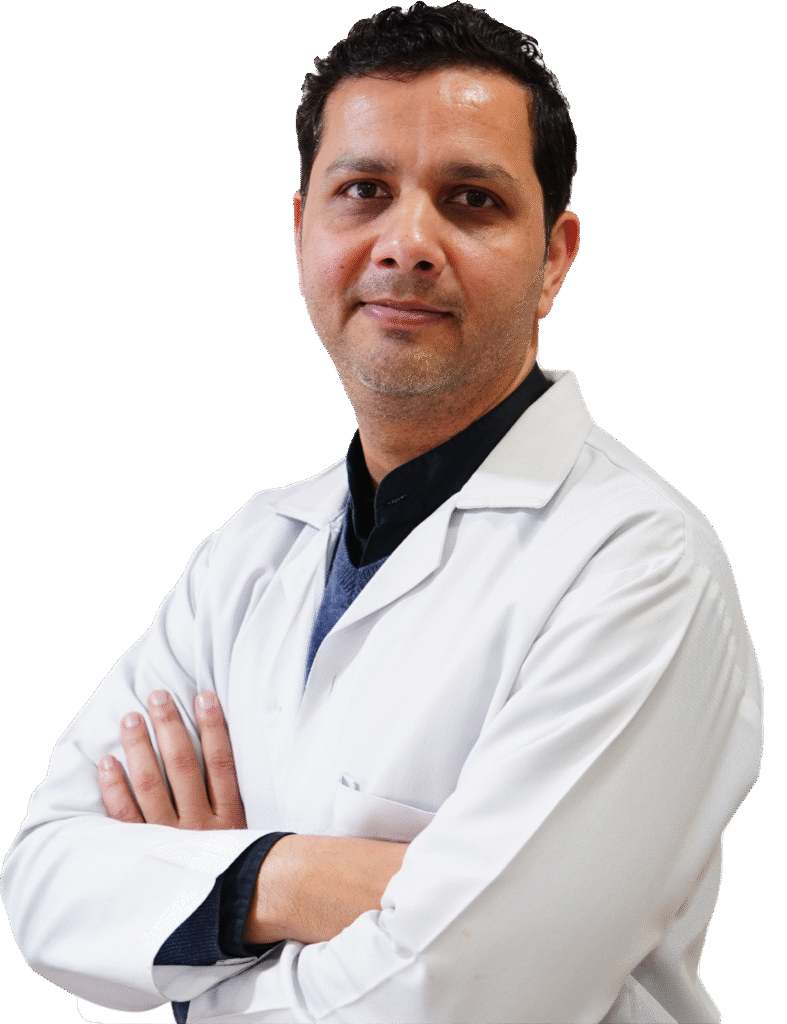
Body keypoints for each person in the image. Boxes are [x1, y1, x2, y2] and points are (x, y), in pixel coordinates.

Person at [2, 3, 763, 1022]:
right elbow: (45, 877)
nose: (406, 243)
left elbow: (463, 994)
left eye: (471, 200)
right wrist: (291, 877)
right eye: (362, 191)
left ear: (554, 257)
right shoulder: (249, 556)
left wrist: (175, 957)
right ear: (301, 229)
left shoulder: (640, 565)